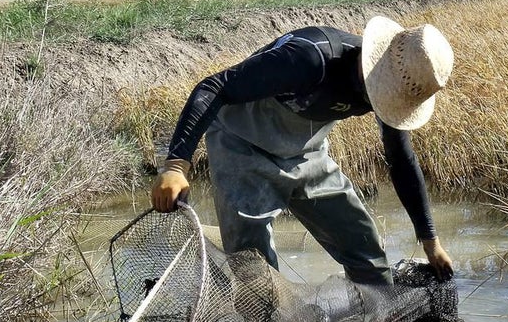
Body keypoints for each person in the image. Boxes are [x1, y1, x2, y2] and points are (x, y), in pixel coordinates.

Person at [149, 15, 454, 286]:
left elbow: (401, 160)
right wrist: (176, 167)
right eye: (384, 93)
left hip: (307, 153)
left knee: (363, 244)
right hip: (242, 147)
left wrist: (430, 241)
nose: (383, 102)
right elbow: (213, 87)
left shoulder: (401, 84)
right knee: (253, 265)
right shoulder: (310, 58)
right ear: (375, 64)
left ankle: (379, 313)